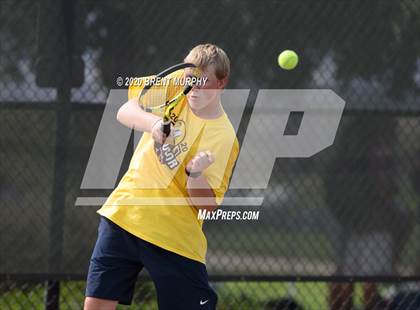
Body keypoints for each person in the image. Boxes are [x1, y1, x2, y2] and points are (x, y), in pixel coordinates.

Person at [84, 43, 239, 310]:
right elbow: (125, 110)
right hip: (124, 213)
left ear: (221, 83)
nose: (193, 88)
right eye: (191, 79)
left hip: (174, 236)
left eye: (204, 82)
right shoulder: (175, 84)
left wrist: (195, 174)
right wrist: (154, 124)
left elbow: (207, 205)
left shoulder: (224, 137)